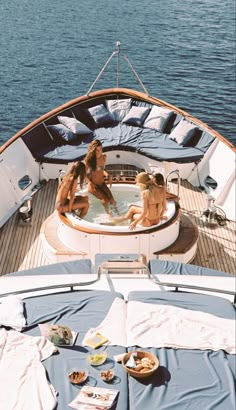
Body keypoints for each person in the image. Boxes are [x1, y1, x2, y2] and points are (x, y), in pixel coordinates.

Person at [84, 139, 117, 214]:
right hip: (93, 186)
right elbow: (84, 174)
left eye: (100, 149)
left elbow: (101, 170)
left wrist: (108, 176)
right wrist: (90, 183)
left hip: (102, 184)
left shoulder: (104, 157)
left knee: (112, 200)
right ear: (93, 151)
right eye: (97, 150)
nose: (99, 152)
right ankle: (110, 217)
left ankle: (118, 214)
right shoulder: (89, 160)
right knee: (105, 200)